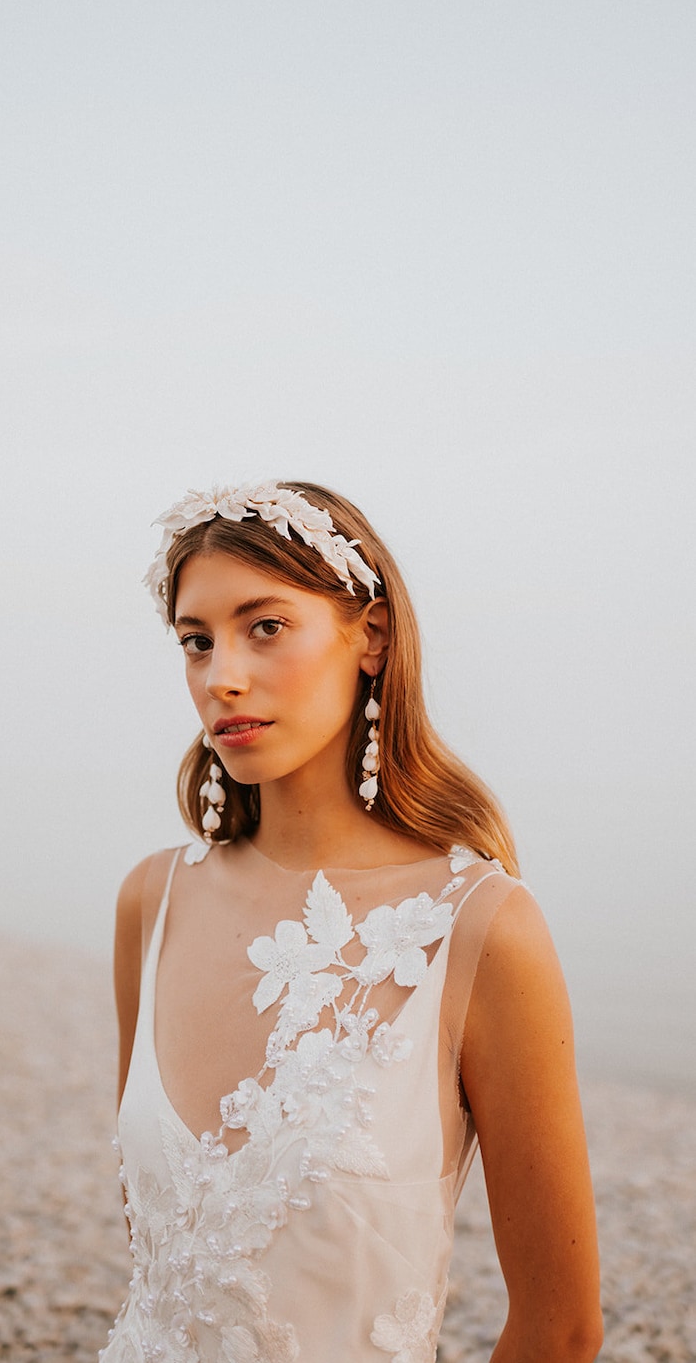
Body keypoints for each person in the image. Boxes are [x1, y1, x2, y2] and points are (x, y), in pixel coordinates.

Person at [100, 480, 602, 1363]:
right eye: (196, 640)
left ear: (368, 636)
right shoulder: (153, 901)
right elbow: (161, 1268)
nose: (222, 675)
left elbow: (560, 1330)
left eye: (265, 626)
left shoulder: (481, 929)